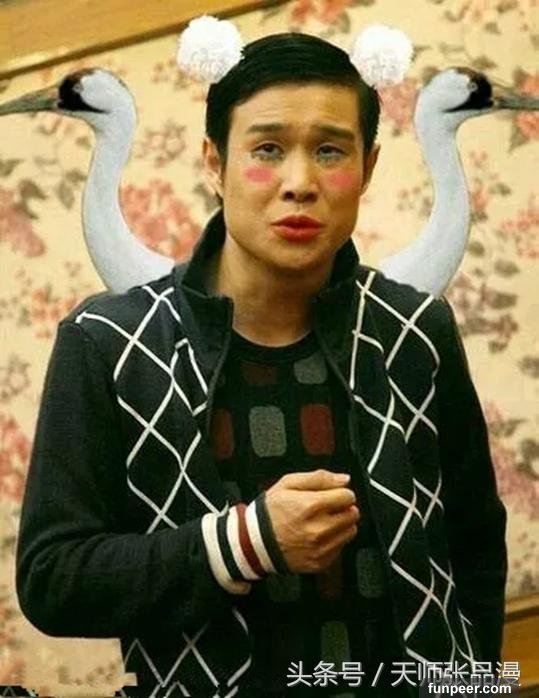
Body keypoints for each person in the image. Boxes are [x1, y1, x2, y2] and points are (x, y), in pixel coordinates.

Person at [16, 24, 507, 698]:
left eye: (330, 150)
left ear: (367, 168)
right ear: (213, 162)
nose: (299, 183)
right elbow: (52, 579)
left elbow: (474, 543)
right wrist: (247, 541)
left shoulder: (416, 329)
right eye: (267, 149)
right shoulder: (107, 341)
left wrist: (471, 685)